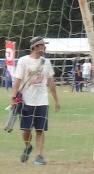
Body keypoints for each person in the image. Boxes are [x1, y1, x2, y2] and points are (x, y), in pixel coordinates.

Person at [12, 36, 59, 165]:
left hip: (42, 101)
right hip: (26, 100)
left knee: (40, 129)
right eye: (42, 45)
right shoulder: (23, 61)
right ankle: (28, 146)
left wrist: (56, 100)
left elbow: (51, 81)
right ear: (35, 47)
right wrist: (14, 97)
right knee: (26, 130)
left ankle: (39, 155)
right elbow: (17, 81)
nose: (44, 47)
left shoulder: (46, 62)